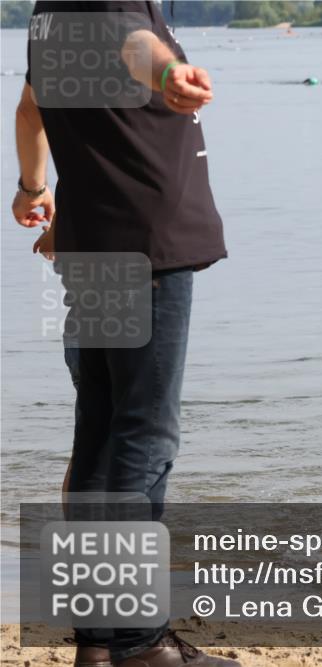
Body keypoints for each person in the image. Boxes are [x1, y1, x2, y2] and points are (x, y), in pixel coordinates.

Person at [13, 2, 240, 665]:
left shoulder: (48, 13)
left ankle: (99, 637)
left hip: (95, 247)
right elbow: (135, 44)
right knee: (145, 435)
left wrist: (33, 188)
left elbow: (31, 109)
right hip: (146, 246)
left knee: (101, 438)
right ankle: (139, 642)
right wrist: (169, 72)